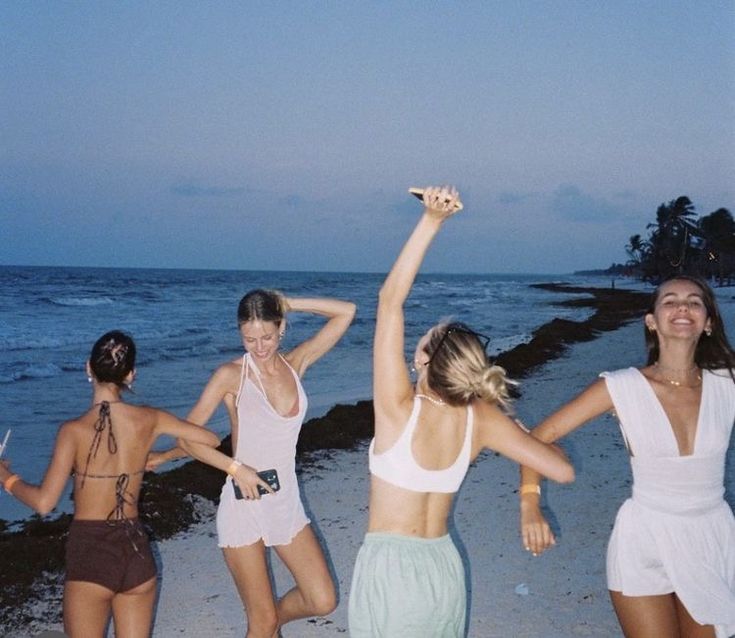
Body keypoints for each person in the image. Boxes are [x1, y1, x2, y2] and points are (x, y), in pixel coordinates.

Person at [347, 185, 575, 637]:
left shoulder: (398, 410)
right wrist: (529, 498)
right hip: (443, 569)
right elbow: (561, 471)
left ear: (423, 359)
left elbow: (390, 302)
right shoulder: (483, 420)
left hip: (392, 574)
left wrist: (431, 221)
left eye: (423, 338)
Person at [519, 275, 735, 638]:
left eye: (694, 301)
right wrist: (529, 503)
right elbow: (541, 436)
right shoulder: (621, 386)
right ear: (651, 321)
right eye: (670, 300)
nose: (682, 307)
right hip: (643, 538)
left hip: (710, 537)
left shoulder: (727, 383)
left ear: (708, 321)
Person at [148, 290, 356, 638]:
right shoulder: (231, 375)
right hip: (243, 506)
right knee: (260, 625)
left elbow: (346, 311)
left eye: (267, 337)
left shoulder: (296, 363)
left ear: (282, 328)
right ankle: (266, 624)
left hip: (286, 502)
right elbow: (188, 437)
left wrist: (287, 301)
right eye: (249, 339)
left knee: (322, 600)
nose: (259, 347)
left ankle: (271, 620)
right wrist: (234, 468)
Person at [0, 330, 220, 638]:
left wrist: (6, 479)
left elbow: (44, 503)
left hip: (91, 555)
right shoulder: (150, 418)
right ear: (131, 374)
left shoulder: (73, 430)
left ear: (88, 368)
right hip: (136, 551)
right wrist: (162, 455)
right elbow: (209, 438)